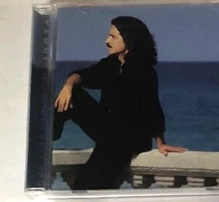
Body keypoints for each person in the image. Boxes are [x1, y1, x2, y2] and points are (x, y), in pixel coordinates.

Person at [52, 16, 186, 190]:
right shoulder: (111, 64)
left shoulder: (143, 71)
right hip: (109, 130)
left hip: (128, 138)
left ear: (129, 40)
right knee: (73, 94)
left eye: (113, 37)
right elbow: (84, 75)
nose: (106, 41)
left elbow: (152, 107)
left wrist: (160, 141)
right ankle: (47, 139)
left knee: (85, 186)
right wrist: (68, 85)